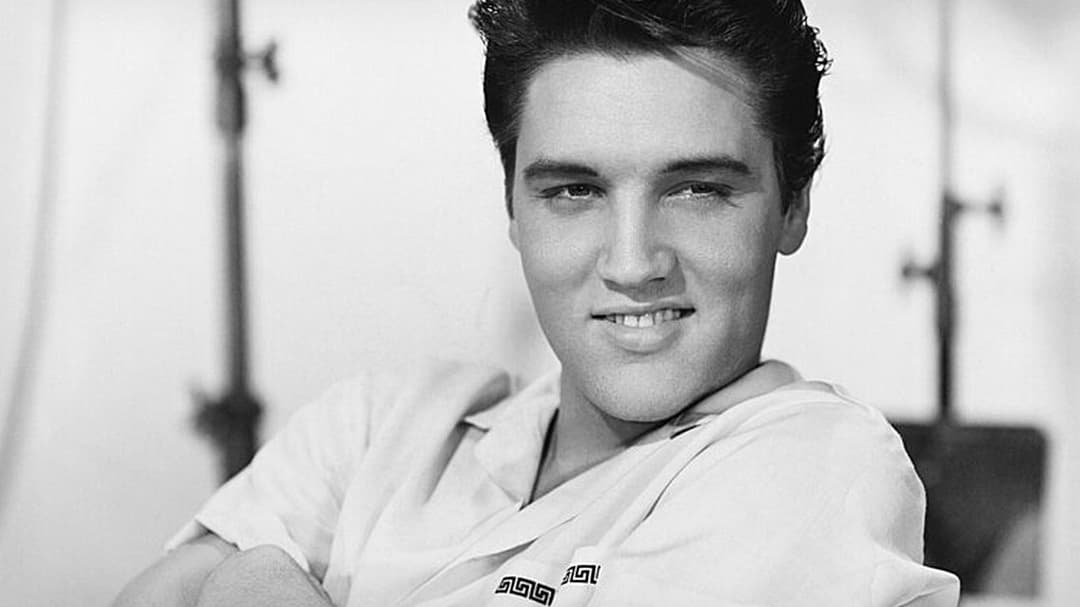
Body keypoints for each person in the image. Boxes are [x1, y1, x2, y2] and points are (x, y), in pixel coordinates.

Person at [115, 1, 961, 605]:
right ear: (513, 208)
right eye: (574, 191)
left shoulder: (819, 468)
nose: (633, 263)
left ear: (793, 205)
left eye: (697, 188)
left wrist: (252, 576)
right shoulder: (383, 426)